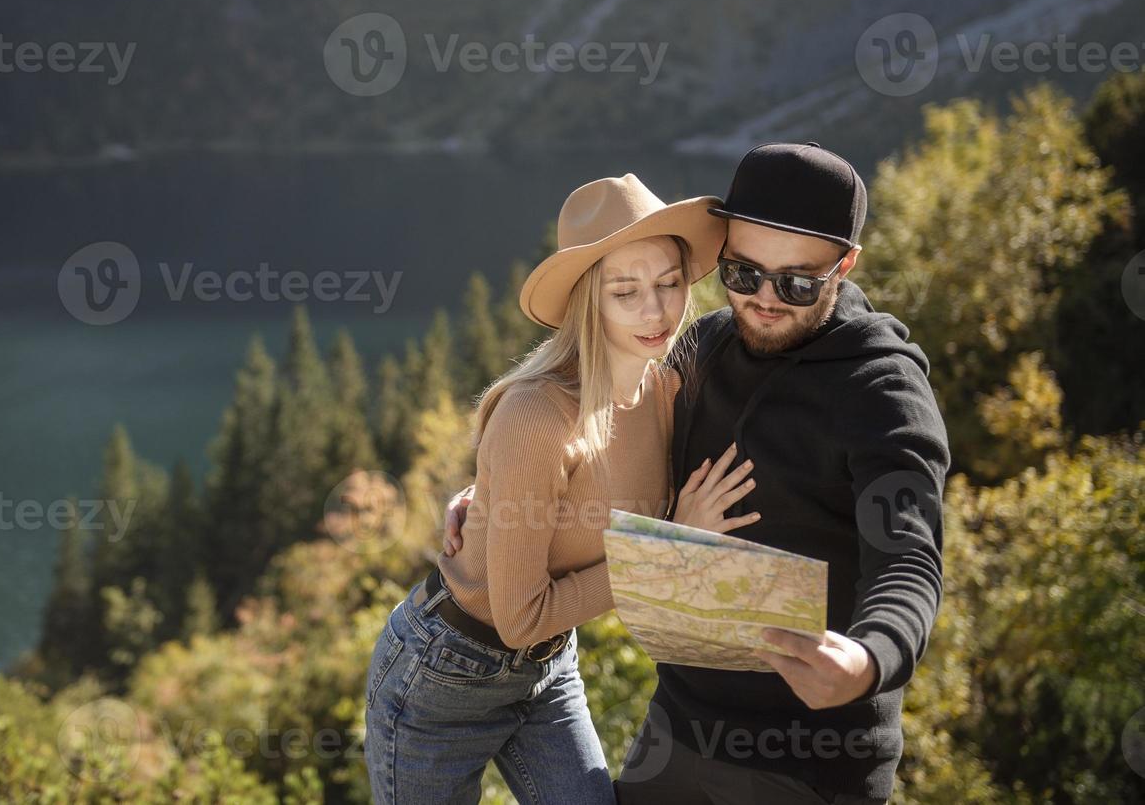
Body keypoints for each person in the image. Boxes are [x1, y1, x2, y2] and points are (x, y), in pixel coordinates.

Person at [447, 143, 950, 804]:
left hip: (809, 765)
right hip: (676, 735)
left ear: (845, 264)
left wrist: (869, 659)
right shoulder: (705, 346)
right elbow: (598, 430)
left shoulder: (882, 390)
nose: (765, 300)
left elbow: (909, 561)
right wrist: (495, 499)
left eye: (798, 283)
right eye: (743, 275)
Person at [364, 174, 759, 805]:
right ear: (587, 302)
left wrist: (491, 498)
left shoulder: (666, 391)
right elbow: (520, 617)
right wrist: (668, 547)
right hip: (443, 675)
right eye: (624, 292)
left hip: (548, 670)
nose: (655, 311)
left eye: (668, 284)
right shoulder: (535, 413)